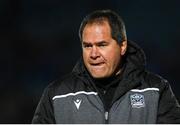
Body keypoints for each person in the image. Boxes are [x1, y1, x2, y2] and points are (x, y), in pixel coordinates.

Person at [32, 9, 180, 124]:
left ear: (122, 46)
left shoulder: (156, 90)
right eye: (87, 46)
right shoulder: (56, 95)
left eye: (102, 45)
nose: (93, 54)